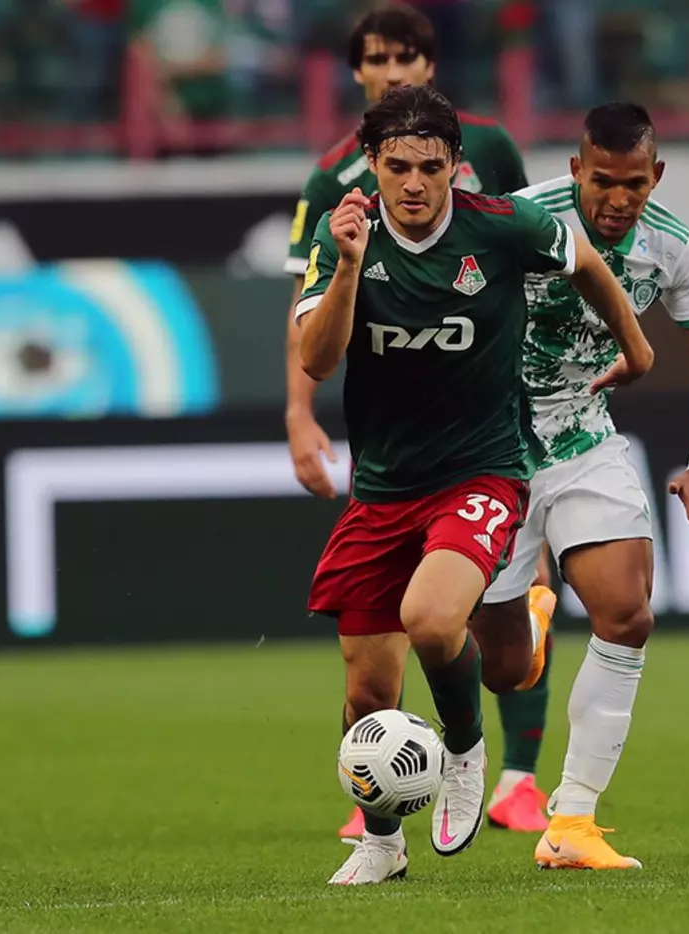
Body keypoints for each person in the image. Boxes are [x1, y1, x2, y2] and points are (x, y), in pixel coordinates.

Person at [297, 84, 655, 886]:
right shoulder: (342, 235)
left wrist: (635, 347)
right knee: (367, 695)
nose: (414, 184)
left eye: (431, 167)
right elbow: (317, 360)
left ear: (456, 166)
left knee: (430, 621)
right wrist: (349, 267)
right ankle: (382, 844)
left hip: (481, 471)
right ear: (372, 164)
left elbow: (585, 262)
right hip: (383, 487)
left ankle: (463, 749)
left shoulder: (501, 227)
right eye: (398, 167)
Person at [280, 2, 558, 839]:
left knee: (451, 620)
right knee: (377, 679)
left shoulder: (491, 151)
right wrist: (298, 413)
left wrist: (568, 378)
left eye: (406, 56)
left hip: (490, 430)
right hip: (389, 459)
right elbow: (306, 322)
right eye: (377, 58)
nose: (392, 70)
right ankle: (383, 821)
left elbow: (536, 260)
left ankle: (512, 774)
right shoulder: (332, 187)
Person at [475, 101, 689, 871]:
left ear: (657, 175)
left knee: (627, 613)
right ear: (575, 170)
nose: (618, 199)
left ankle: (572, 823)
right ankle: (527, 619)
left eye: (634, 183)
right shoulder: (519, 220)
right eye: (602, 182)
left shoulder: (673, 247)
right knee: (503, 669)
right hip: (488, 443)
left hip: (582, 436)